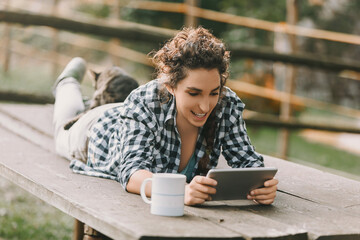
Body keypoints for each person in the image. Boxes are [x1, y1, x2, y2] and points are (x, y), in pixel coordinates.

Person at [53, 26, 278, 206]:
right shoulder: (143, 101)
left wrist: (262, 186)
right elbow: (132, 174)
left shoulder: (225, 105)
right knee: (64, 124)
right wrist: (181, 191)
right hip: (94, 133)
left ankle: (106, 86)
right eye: (194, 92)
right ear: (170, 85)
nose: (205, 104)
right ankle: (67, 82)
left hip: (130, 115)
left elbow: (248, 163)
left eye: (214, 92)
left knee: (120, 97)